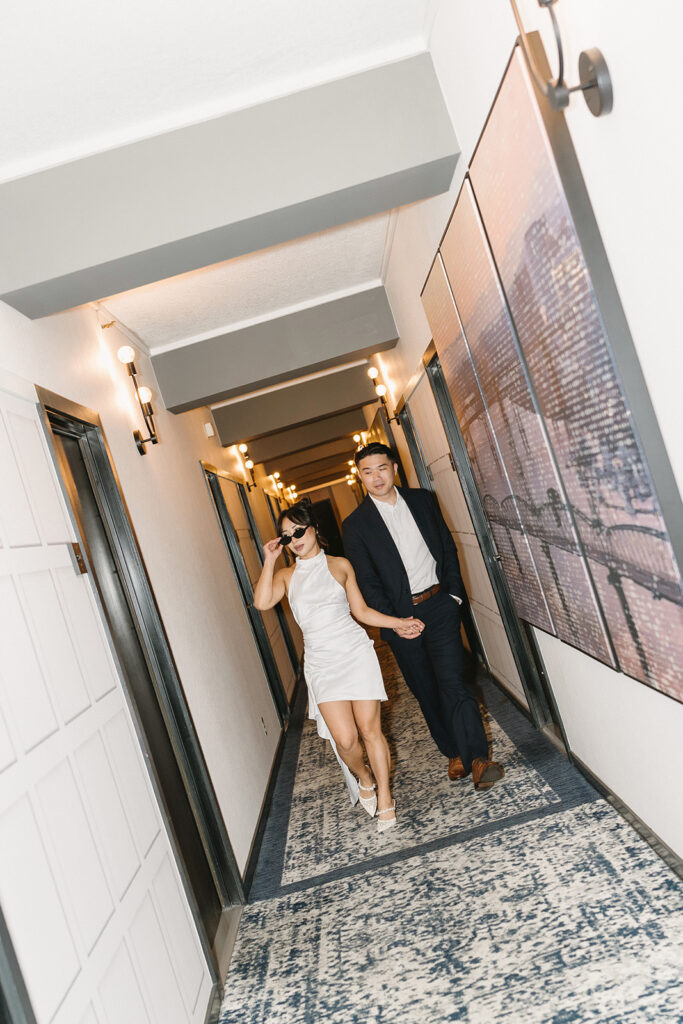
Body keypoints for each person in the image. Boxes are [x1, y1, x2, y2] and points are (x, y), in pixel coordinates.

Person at [253, 497, 425, 832]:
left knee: (370, 730)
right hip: (320, 662)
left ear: (314, 528)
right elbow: (262, 602)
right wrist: (269, 560)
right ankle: (364, 776)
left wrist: (397, 622)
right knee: (345, 740)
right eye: (286, 536)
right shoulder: (287, 576)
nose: (295, 539)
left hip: (354, 652)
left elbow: (360, 612)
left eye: (299, 530)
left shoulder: (340, 565)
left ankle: (386, 797)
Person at [342, 442, 504, 790]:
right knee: (425, 689)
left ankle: (477, 758)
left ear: (395, 468)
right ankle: (452, 752)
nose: (376, 477)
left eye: (382, 468)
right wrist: (397, 622)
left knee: (453, 681)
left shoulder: (422, 500)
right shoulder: (356, 525)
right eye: (367, 471)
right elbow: (368, 582)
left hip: (439, 605)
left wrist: (453, 595)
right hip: (398, 618)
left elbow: (446, 546)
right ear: (360, 476)